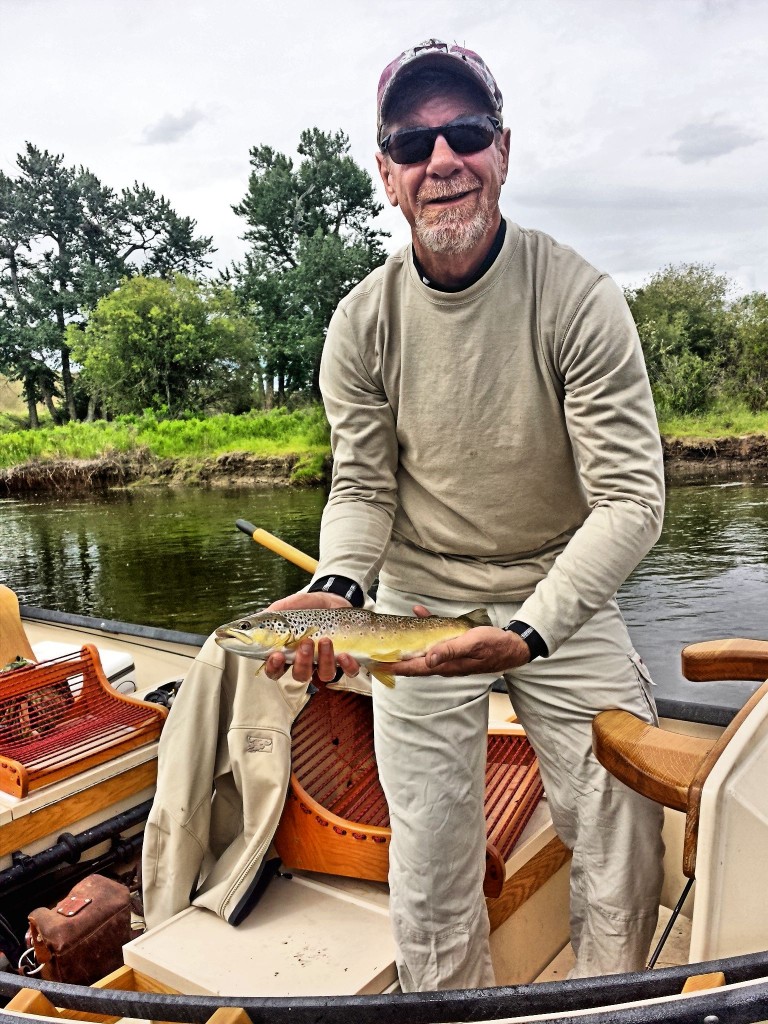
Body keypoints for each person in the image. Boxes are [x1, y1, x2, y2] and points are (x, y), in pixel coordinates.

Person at [264, 38, 665, 991]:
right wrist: (333, 592)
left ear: (503, 150)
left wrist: (526, 634)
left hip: (555, 589)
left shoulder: (577, 297)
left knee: (619, 816)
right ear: (387, 176)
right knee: (433, 856)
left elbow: (632, 502)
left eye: (466, 132)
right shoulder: (360, 325)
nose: (442, 159)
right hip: (414, 597)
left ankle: (605, 1005)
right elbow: (362, 490)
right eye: (414, 143)